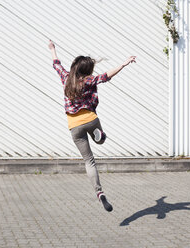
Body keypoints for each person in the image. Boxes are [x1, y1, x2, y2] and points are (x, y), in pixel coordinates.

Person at [49, 40, 136, 212]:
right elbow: (105, 76)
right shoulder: (89, 80)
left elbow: (56, 65)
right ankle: (99, 136)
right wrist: (123, 64)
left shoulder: (66, 78)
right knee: (101, 141)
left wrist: (53, 49)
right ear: (86, 70)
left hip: (74, 126)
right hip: (91, 119)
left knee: (89, 161)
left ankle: (100, 193)